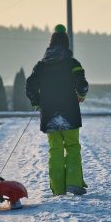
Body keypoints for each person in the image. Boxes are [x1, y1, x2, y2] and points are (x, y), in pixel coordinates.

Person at [26, 24, 89, 195]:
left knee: (55, 150)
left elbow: (30, 85)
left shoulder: (41, 66)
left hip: (49, 114)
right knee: (73, 146)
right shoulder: (73, 64)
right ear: (66, 44)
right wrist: (81, 95)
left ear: (51, 44)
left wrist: (37, 102)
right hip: (70, 113)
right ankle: (74, 183)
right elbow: (82, 85)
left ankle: (58, 188)